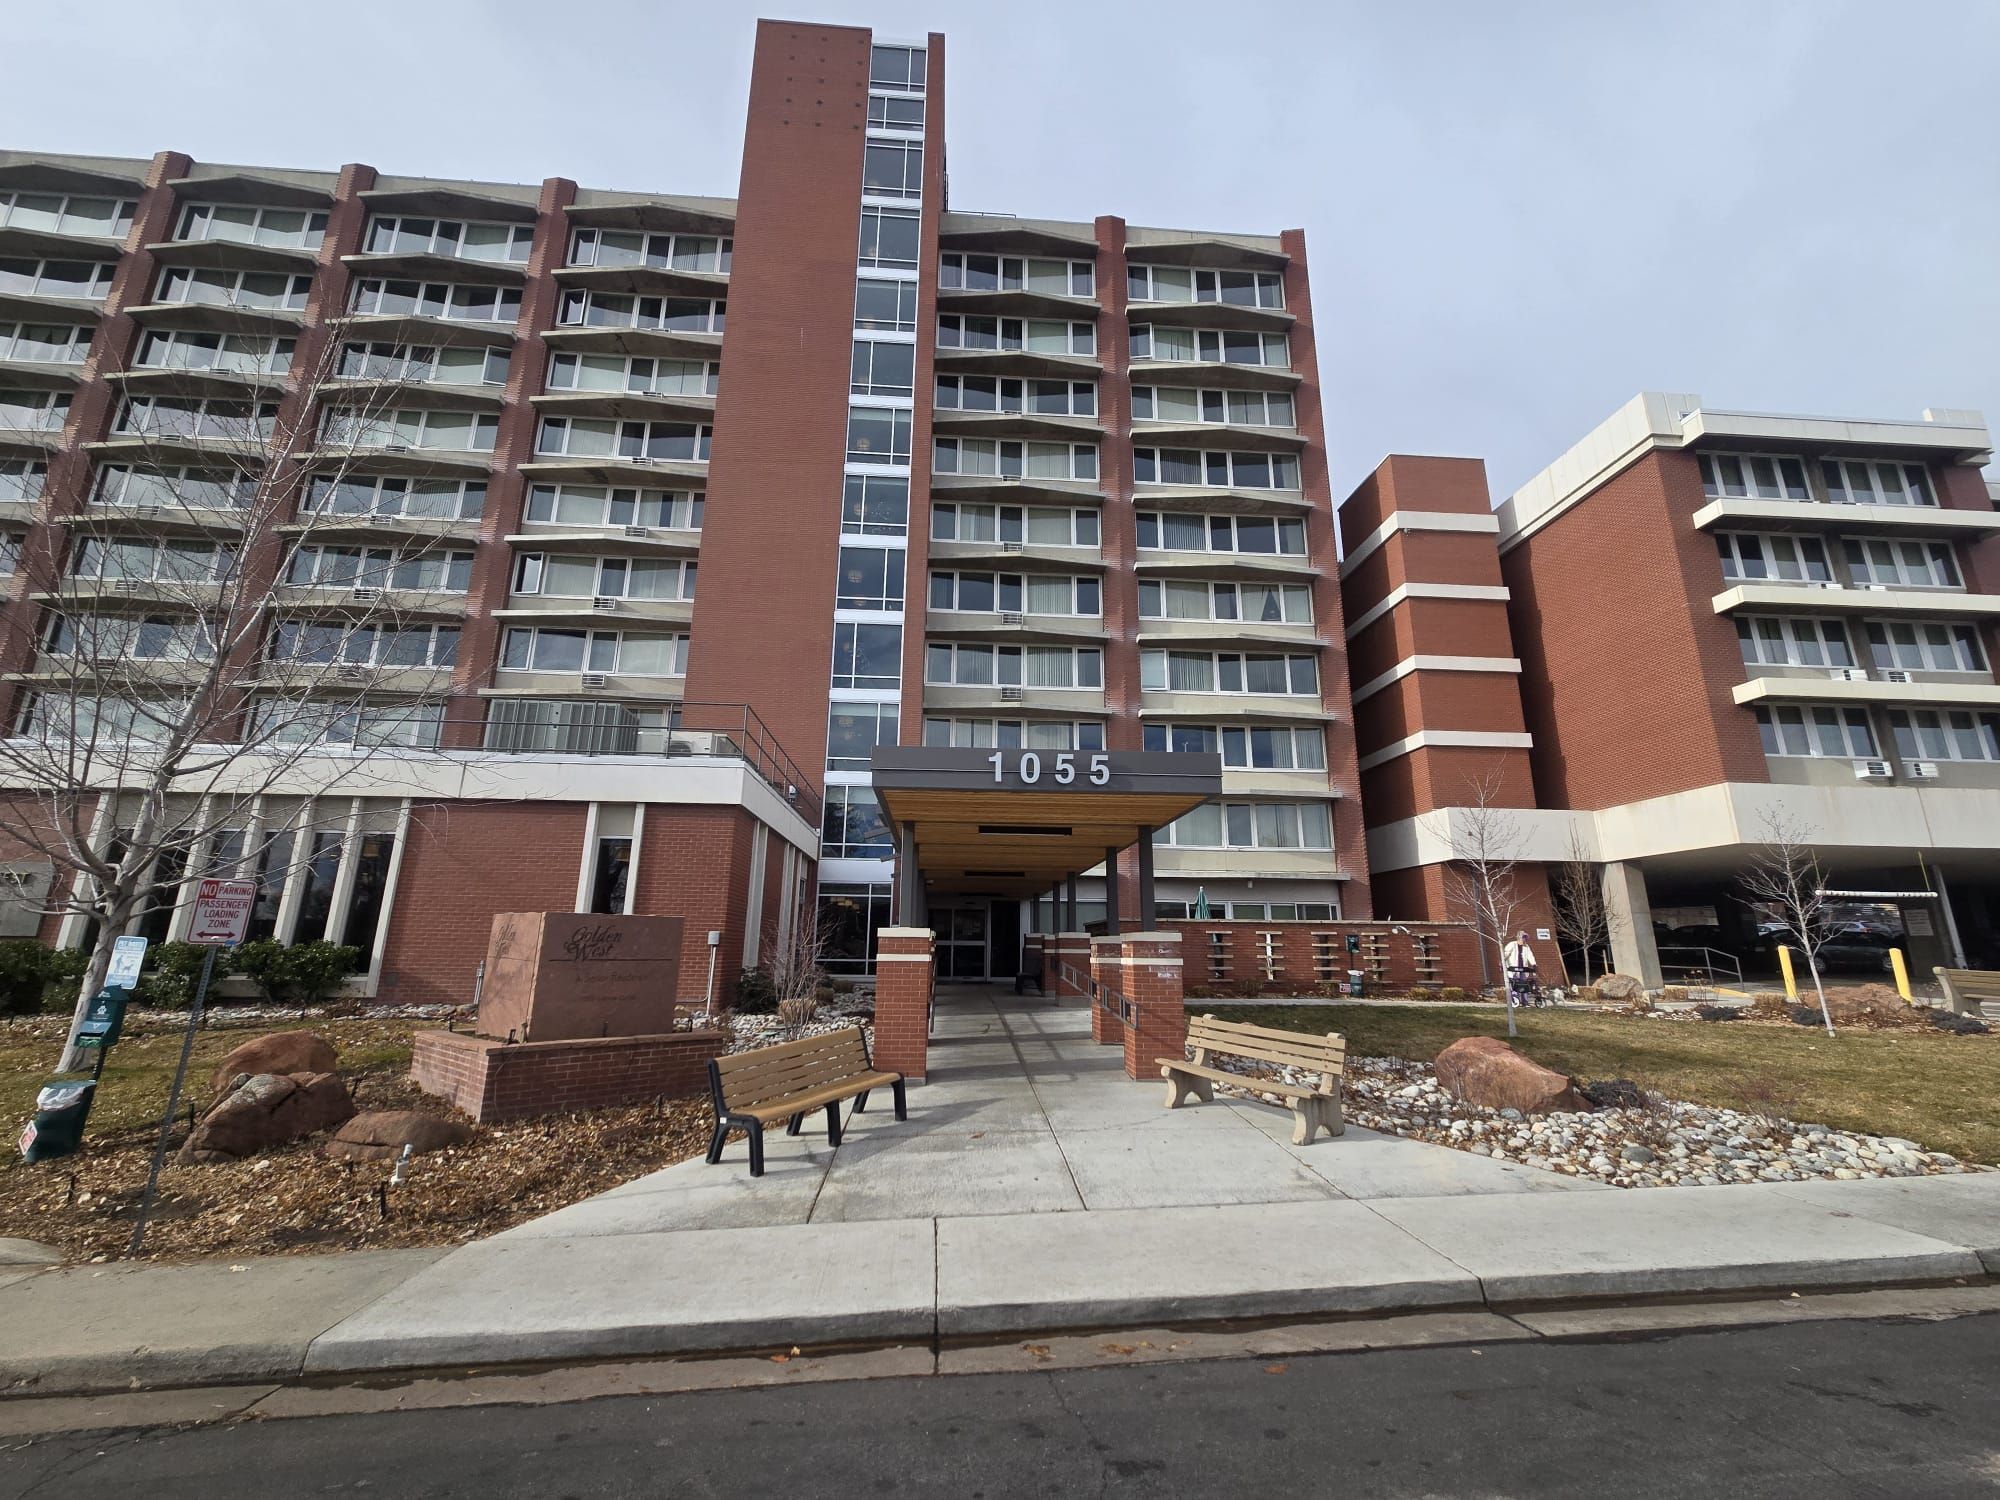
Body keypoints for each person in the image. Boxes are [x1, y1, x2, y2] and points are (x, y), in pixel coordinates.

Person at [1503, 931, 1541, 1004]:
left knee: (1524, 984)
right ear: (1519, 938)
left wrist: (1534, 964)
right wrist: (1502, 963)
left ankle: (1525, 1001)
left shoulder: (1526, 947)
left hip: (1523, 969)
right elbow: (1505, 954)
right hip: (1513, 968)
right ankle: (1515, 999)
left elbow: (1530, 956)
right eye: (1524, 939)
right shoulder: (1512, 945)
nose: (1525, 941)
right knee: (1514, 984)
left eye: (1526, 939)